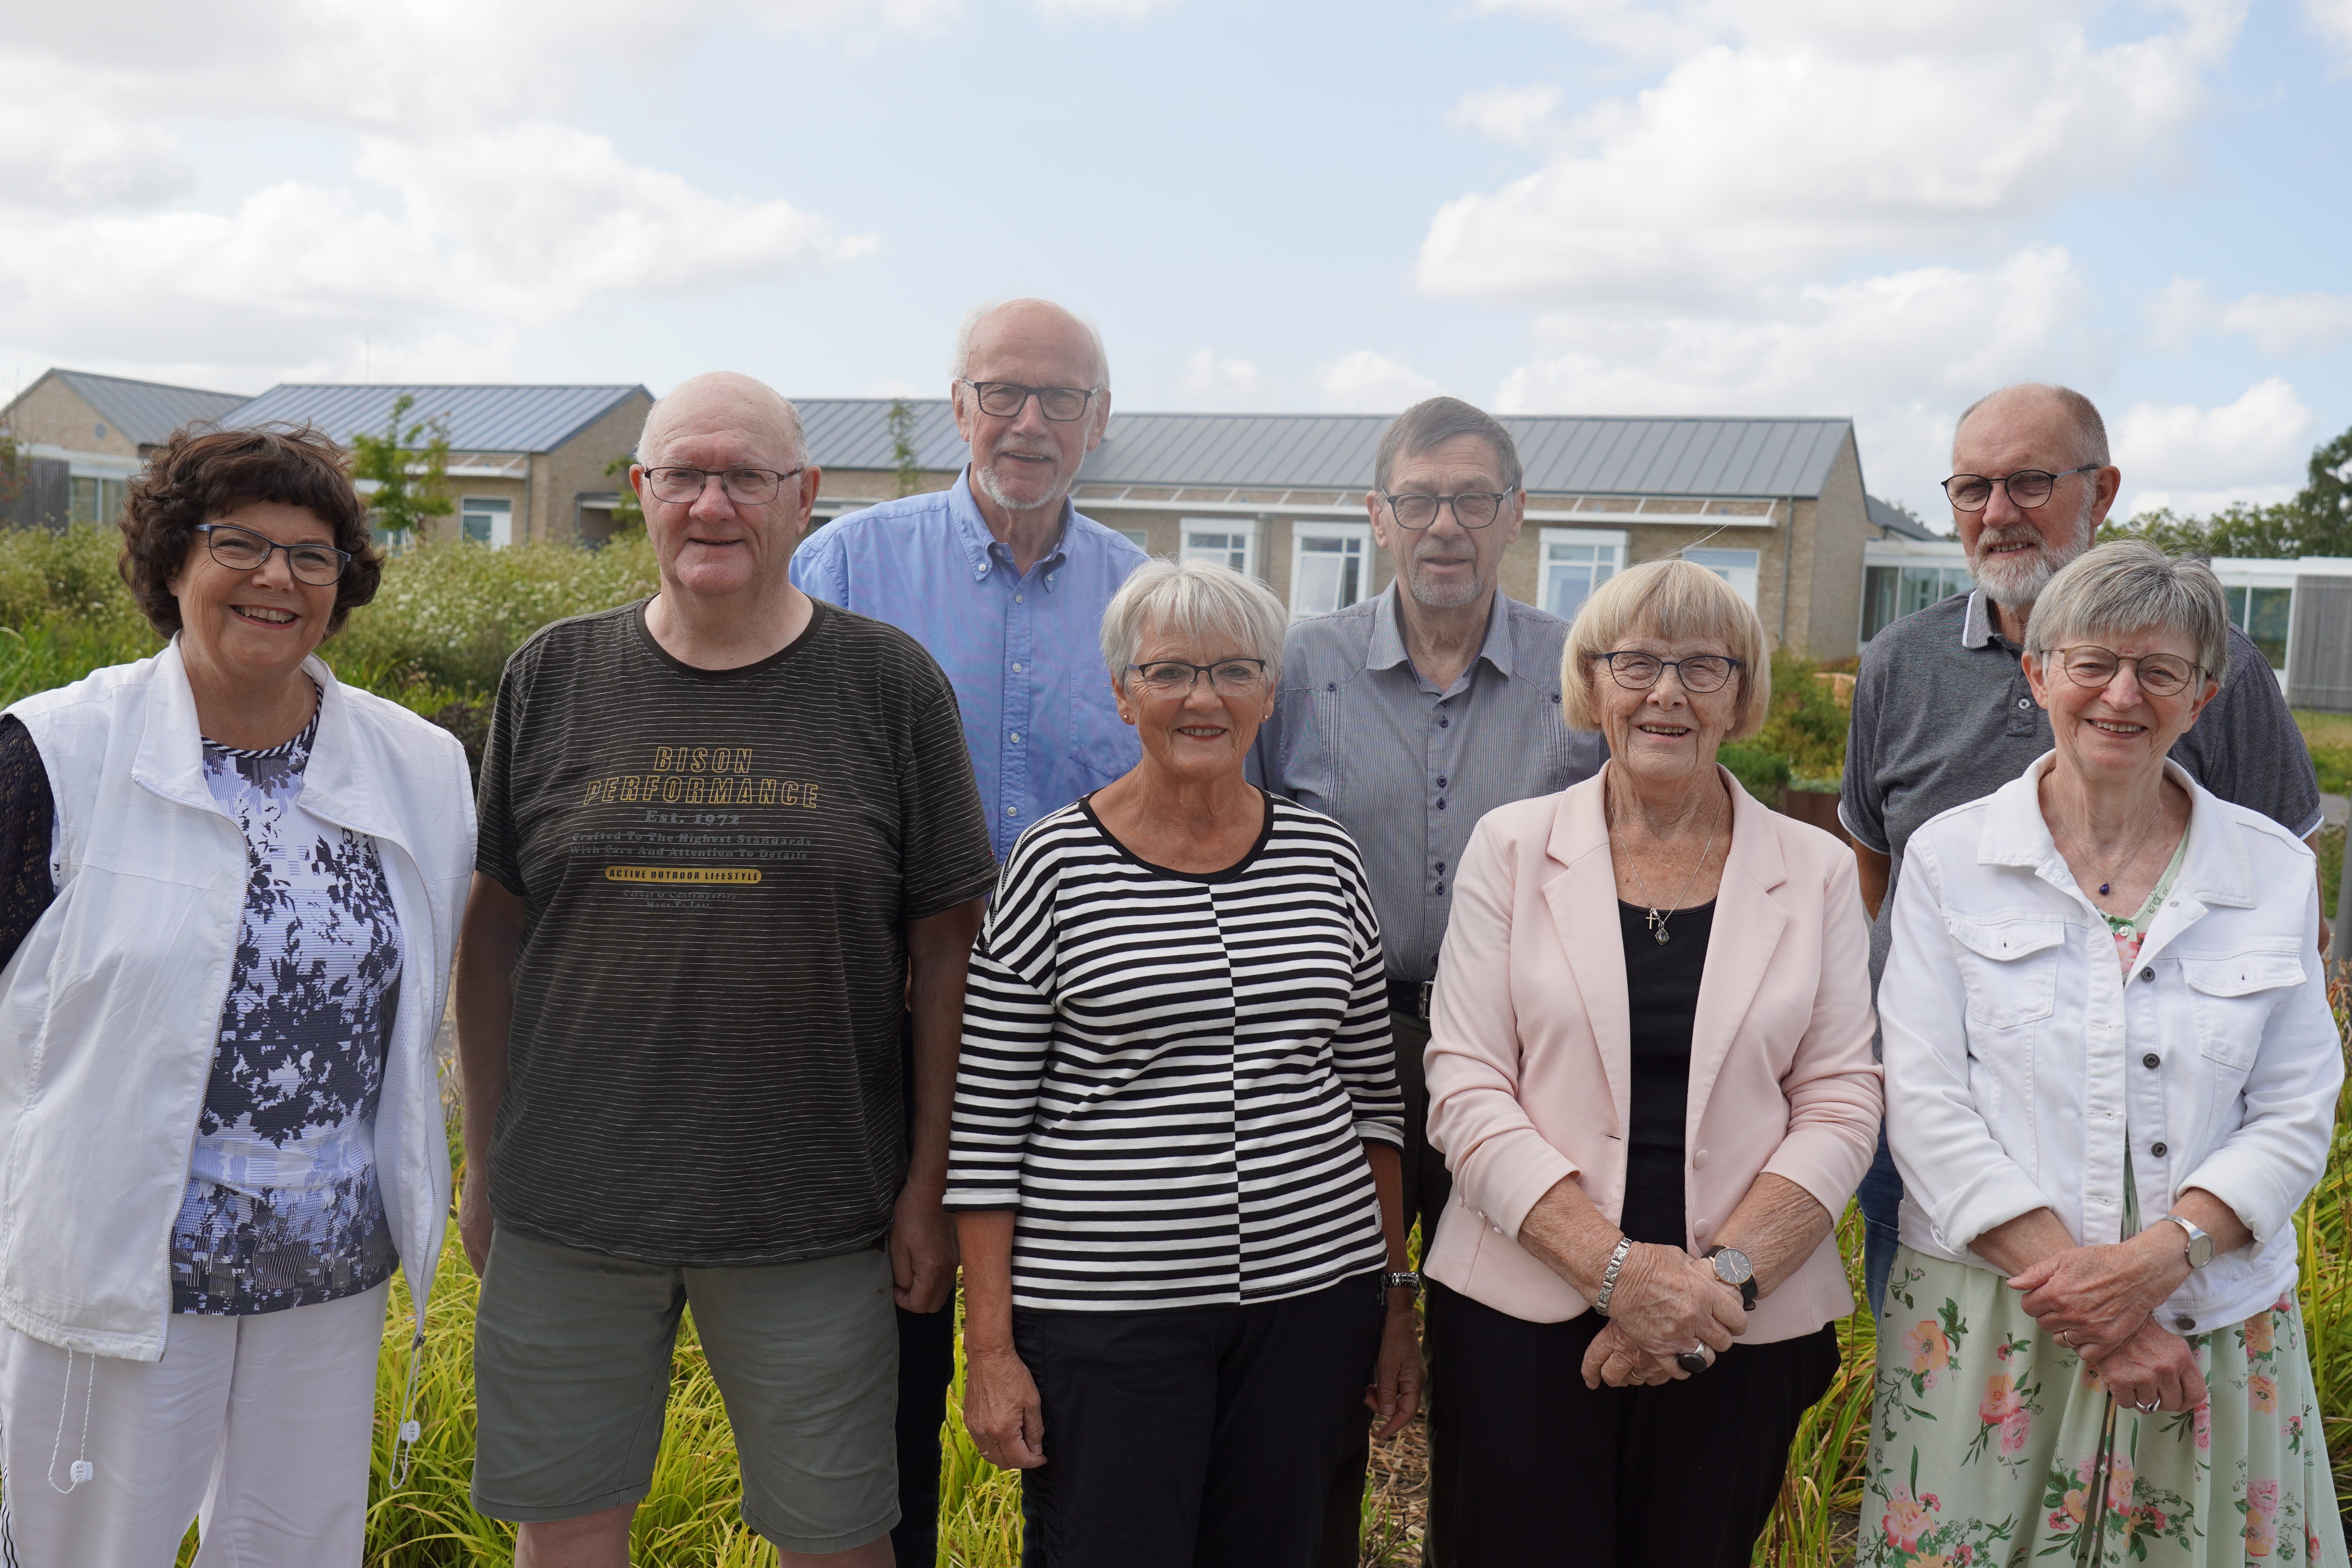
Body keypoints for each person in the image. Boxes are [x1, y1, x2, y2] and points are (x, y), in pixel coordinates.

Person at [457, 372, 998, 1568]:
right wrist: (486, 1159)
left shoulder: (888, 685)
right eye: (683, 476)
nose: (712, 504)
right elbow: (494, 923)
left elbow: (946, 945)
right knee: (568, 1533)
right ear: (641, 493)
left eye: (744, 477)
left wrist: (928, 1185)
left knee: (839, 1536)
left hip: (812, 1211)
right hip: (570, 1209)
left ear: (803, 498)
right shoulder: (552, 676)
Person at [0, 424, 475, 1566]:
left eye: (312, 557)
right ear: (173, 562)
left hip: (329, 1274)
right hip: (116, 1274)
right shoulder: (56, 753)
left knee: (292, 1553)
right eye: (240, 545)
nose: (278, 579)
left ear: (342, 586)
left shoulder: (419, 766)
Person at [1863, 542, 2347, 1565]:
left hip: (2210, 1313)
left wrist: (2152, 1267)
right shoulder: (1952, 859)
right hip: (1994, 1315)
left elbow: (2299, 1105)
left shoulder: (2271, 873)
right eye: (2092, 663)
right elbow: (1924, 1099)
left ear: (2202, 697)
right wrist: (2104, 1314)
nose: (2122, 694)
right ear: (2038, 674)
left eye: (2160, 671)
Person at [948, 557, 1419, 1567]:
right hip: (1108, 1315)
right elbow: (983, 1132)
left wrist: (1392, 1301)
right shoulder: (1051, 865)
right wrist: (989, 1350)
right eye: (1169, 672)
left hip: (1312, 1301)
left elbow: (1377, 1103)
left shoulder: (1327, 858)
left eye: (1233, 669)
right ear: (1123, 695)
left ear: (1270, 693)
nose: (1203, 696)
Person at [1423, 557, 1881, 1567]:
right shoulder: (1511, 846)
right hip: (1526, 1308)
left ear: (1742, 692)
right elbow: (1465, 1087)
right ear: (1593, 683)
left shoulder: (1813, 871)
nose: (1667, 691)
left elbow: (1844, 1096)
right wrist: (1620, 1272)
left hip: (1741, 1315)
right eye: (1636, 662)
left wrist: (1709, 1289)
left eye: (1703, 665)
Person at [1841, 383, 2324, 1317]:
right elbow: (1882, 877)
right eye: (1971, 488)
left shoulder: (2218, 661)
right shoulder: (1900, 661)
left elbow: (2283, 901)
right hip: (1939, 1163)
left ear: (2101, 491)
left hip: (2174, 1179)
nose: (1998, 513)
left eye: (2029, 481)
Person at [790, 298, 1144, 1565]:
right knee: (875, 1408)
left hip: (1082, 1066)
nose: (1030, 423)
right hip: (879, 1048)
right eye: (1003, 392)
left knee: (1087, 1401)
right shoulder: (842, 573)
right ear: (957, 408)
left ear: (1101, 423)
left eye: (1061, 399)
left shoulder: (1146, 606)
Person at [1249, 394, 1603, 1566]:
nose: (1443, 524)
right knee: (1332, 1346)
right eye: (1418, 500)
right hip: (1336, 1049)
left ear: (1515, 516)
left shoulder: (1581, 670)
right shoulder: (1302, 668)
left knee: (1503, 1358)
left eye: (1470, 500)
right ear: (1377, 515)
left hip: (1522, 1061)